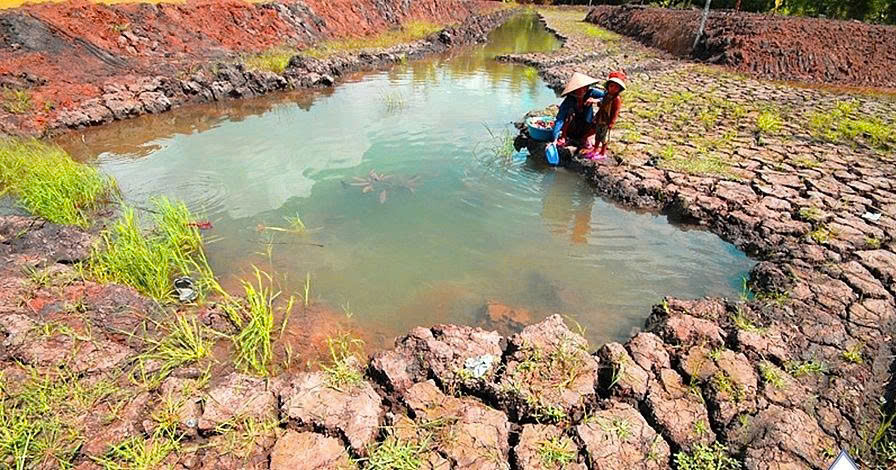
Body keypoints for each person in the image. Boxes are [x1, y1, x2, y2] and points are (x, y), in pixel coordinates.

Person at [552, 71, 626, 160]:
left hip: (586, 124)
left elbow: (606, 96)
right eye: (578, 89)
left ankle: (585, 139)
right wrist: (555, 137)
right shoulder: (569, 100)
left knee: (600, 126)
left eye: (584, 88)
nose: (581, 91)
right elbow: (560, 118)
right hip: (573, 127)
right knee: (569, 113)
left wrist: (596, 100)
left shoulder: (592, 93)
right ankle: (564, 137)